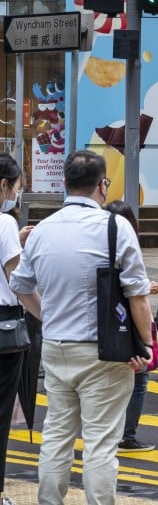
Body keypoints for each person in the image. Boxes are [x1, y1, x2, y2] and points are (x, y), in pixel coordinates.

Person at [11, 150, 153, 505]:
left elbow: (21, 286)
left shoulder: (42, 230)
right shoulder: (114, 226)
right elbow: (138, 296)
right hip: (104, 352)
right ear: (102, 186)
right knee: (101, 442)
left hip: (57, 348)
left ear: (64, 184)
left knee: (57, 436)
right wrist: (146, 345)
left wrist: (48, 316)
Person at [105, 201, 158, 454]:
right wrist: (147, 341)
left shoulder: (99, 243)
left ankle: (113, 431)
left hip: (104, 329)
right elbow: (134, 298)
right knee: (139, 380)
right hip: (130, 326)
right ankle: (127, 435)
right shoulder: (126, 245)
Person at [0, 155, 26, 505]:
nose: (16, 195)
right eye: (17, 188)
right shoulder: (4, 222)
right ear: (3, 185)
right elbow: (18, 281)